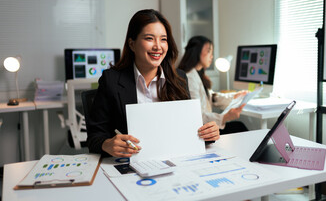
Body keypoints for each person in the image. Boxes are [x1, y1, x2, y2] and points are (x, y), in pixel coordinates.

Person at [86, 9, 220, 157]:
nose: (158, 46)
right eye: (149, 38)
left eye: (163, 39)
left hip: (174, 161)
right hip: (129, 165)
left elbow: (187, 132)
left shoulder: (179, 79)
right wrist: (107, 144)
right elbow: (94, 137)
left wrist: (208, 134)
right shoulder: (111, 80)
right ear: (132, 44)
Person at [178, 35, 248, 135]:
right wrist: (225, 117)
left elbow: (212, 97)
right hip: (202, 130)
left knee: (239, 126)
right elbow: (197, 115)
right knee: (239, 127)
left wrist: (235, 96)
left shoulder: (200, 74)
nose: (211, 56)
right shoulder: (189, 77)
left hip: (208, 126)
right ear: (196, 51)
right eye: (209, 51)